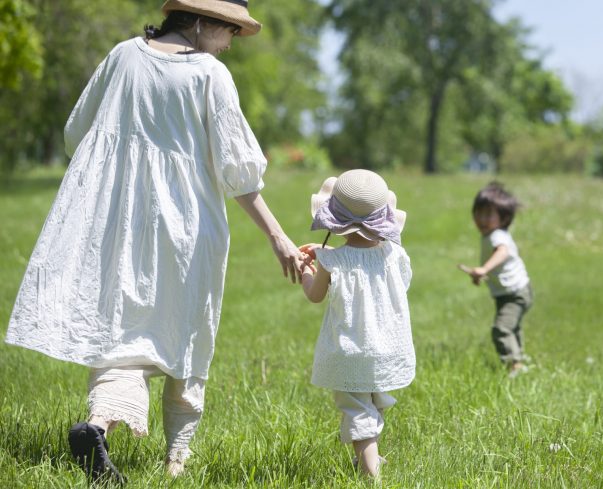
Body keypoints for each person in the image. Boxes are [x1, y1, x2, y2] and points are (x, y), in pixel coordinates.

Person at [4, 0, 304, 483]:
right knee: (185, 338)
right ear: (203, 22)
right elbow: (238, 171)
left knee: (122, 338)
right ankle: (175, 463)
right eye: (230, 31)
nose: (230, 45)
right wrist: (279, 237)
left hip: (118, 222)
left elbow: (77, 132)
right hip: (188, 227)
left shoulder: (124, 54)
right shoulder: (209, 74)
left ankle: (98, 424)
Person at [298, 170, 415, 479]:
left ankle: (369, 474)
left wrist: (309, 268)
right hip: (386, 346)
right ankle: (369, 456)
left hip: (350, 348)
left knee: (356, 408)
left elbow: (314, 295)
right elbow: (402, 286)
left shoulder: (331, 260)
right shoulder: (395, 255)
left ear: (334, 219)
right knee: (373, 401)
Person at [458, 182, 533, 378]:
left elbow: (502, 252)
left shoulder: (497, 236)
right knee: (512, 327)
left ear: (503, 218)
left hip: (515, 292)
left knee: (501, 328)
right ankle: (519, 361)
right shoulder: (490, 235)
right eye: (478, 213)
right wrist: (482, 275)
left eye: (488, 215)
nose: (481, 219)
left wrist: (483, 268)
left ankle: (513, 366)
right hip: (509, 291)